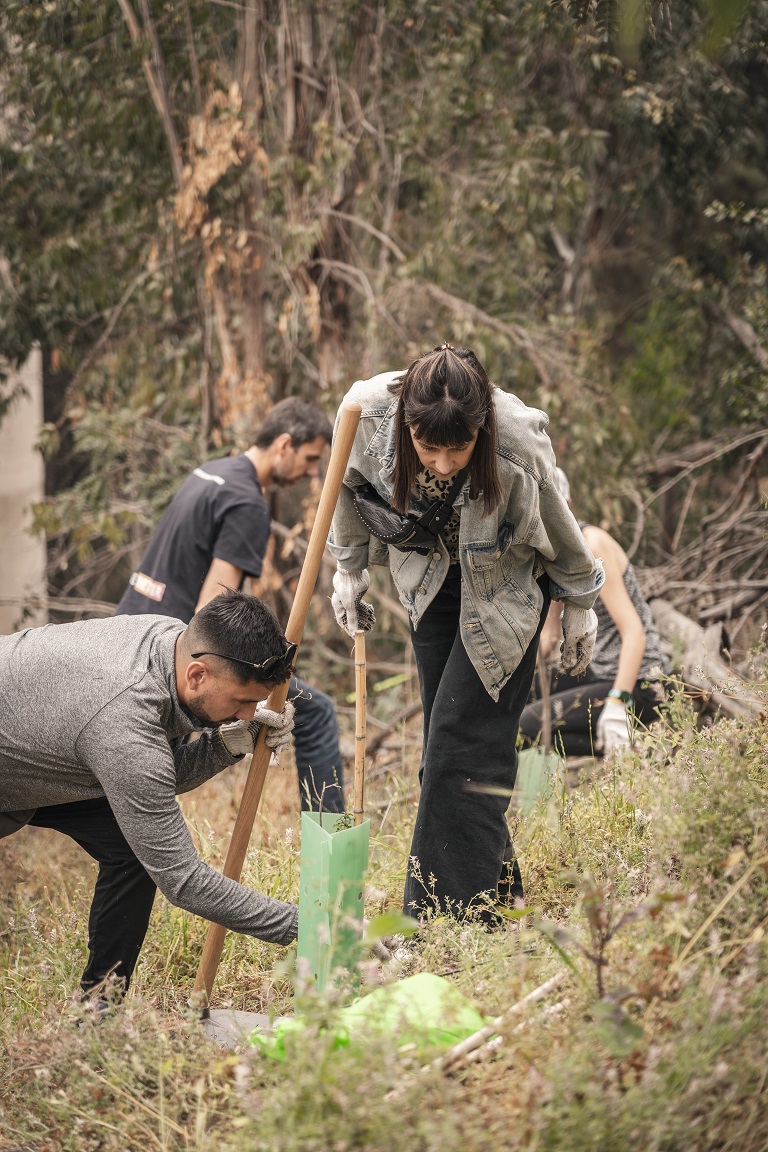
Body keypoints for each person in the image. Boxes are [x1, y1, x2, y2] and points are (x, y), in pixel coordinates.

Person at [328, 343, 604, 924]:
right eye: (428, 448)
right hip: (429, 580)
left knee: (462, 744)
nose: (444, 464)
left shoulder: (516, 438)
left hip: (506, 587)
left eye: (459, 448)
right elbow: (345, 486)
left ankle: (440, 925)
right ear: (408, 424)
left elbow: (559, 520)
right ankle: (498, 899)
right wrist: (348, 569)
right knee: (446, 748)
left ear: (481, 426)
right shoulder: (366, 413)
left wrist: (580, 602)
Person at [0, 589, 299, 1000]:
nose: (250, 714)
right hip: (20, 760)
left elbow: (149, 778)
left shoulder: (170, 640)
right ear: (197, 675)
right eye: (242, 702)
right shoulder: (124, 720)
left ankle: (99, 1012)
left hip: (36, 754)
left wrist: (230, 741)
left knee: (131, 849)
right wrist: (309, 927)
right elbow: (184, 881)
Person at [115, 396, 345, 813]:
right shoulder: (247, 503)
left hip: (129, 635)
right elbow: (213, 610)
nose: (312, 471)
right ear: (284, 444)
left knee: (141, 780)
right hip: (183, 653)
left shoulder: (210, 472)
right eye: (311, 459)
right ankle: (329, 843)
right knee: (316, 712)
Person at [519, 467, 669, 757]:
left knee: (526, 726)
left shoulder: (592, 546)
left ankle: (640, 755)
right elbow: (550, 636)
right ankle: (630, 752)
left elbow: (634, 632)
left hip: (640, 681)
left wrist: (617, 701)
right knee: (512, 700)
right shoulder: (554, 555)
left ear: (567, 505)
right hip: (597, 671)